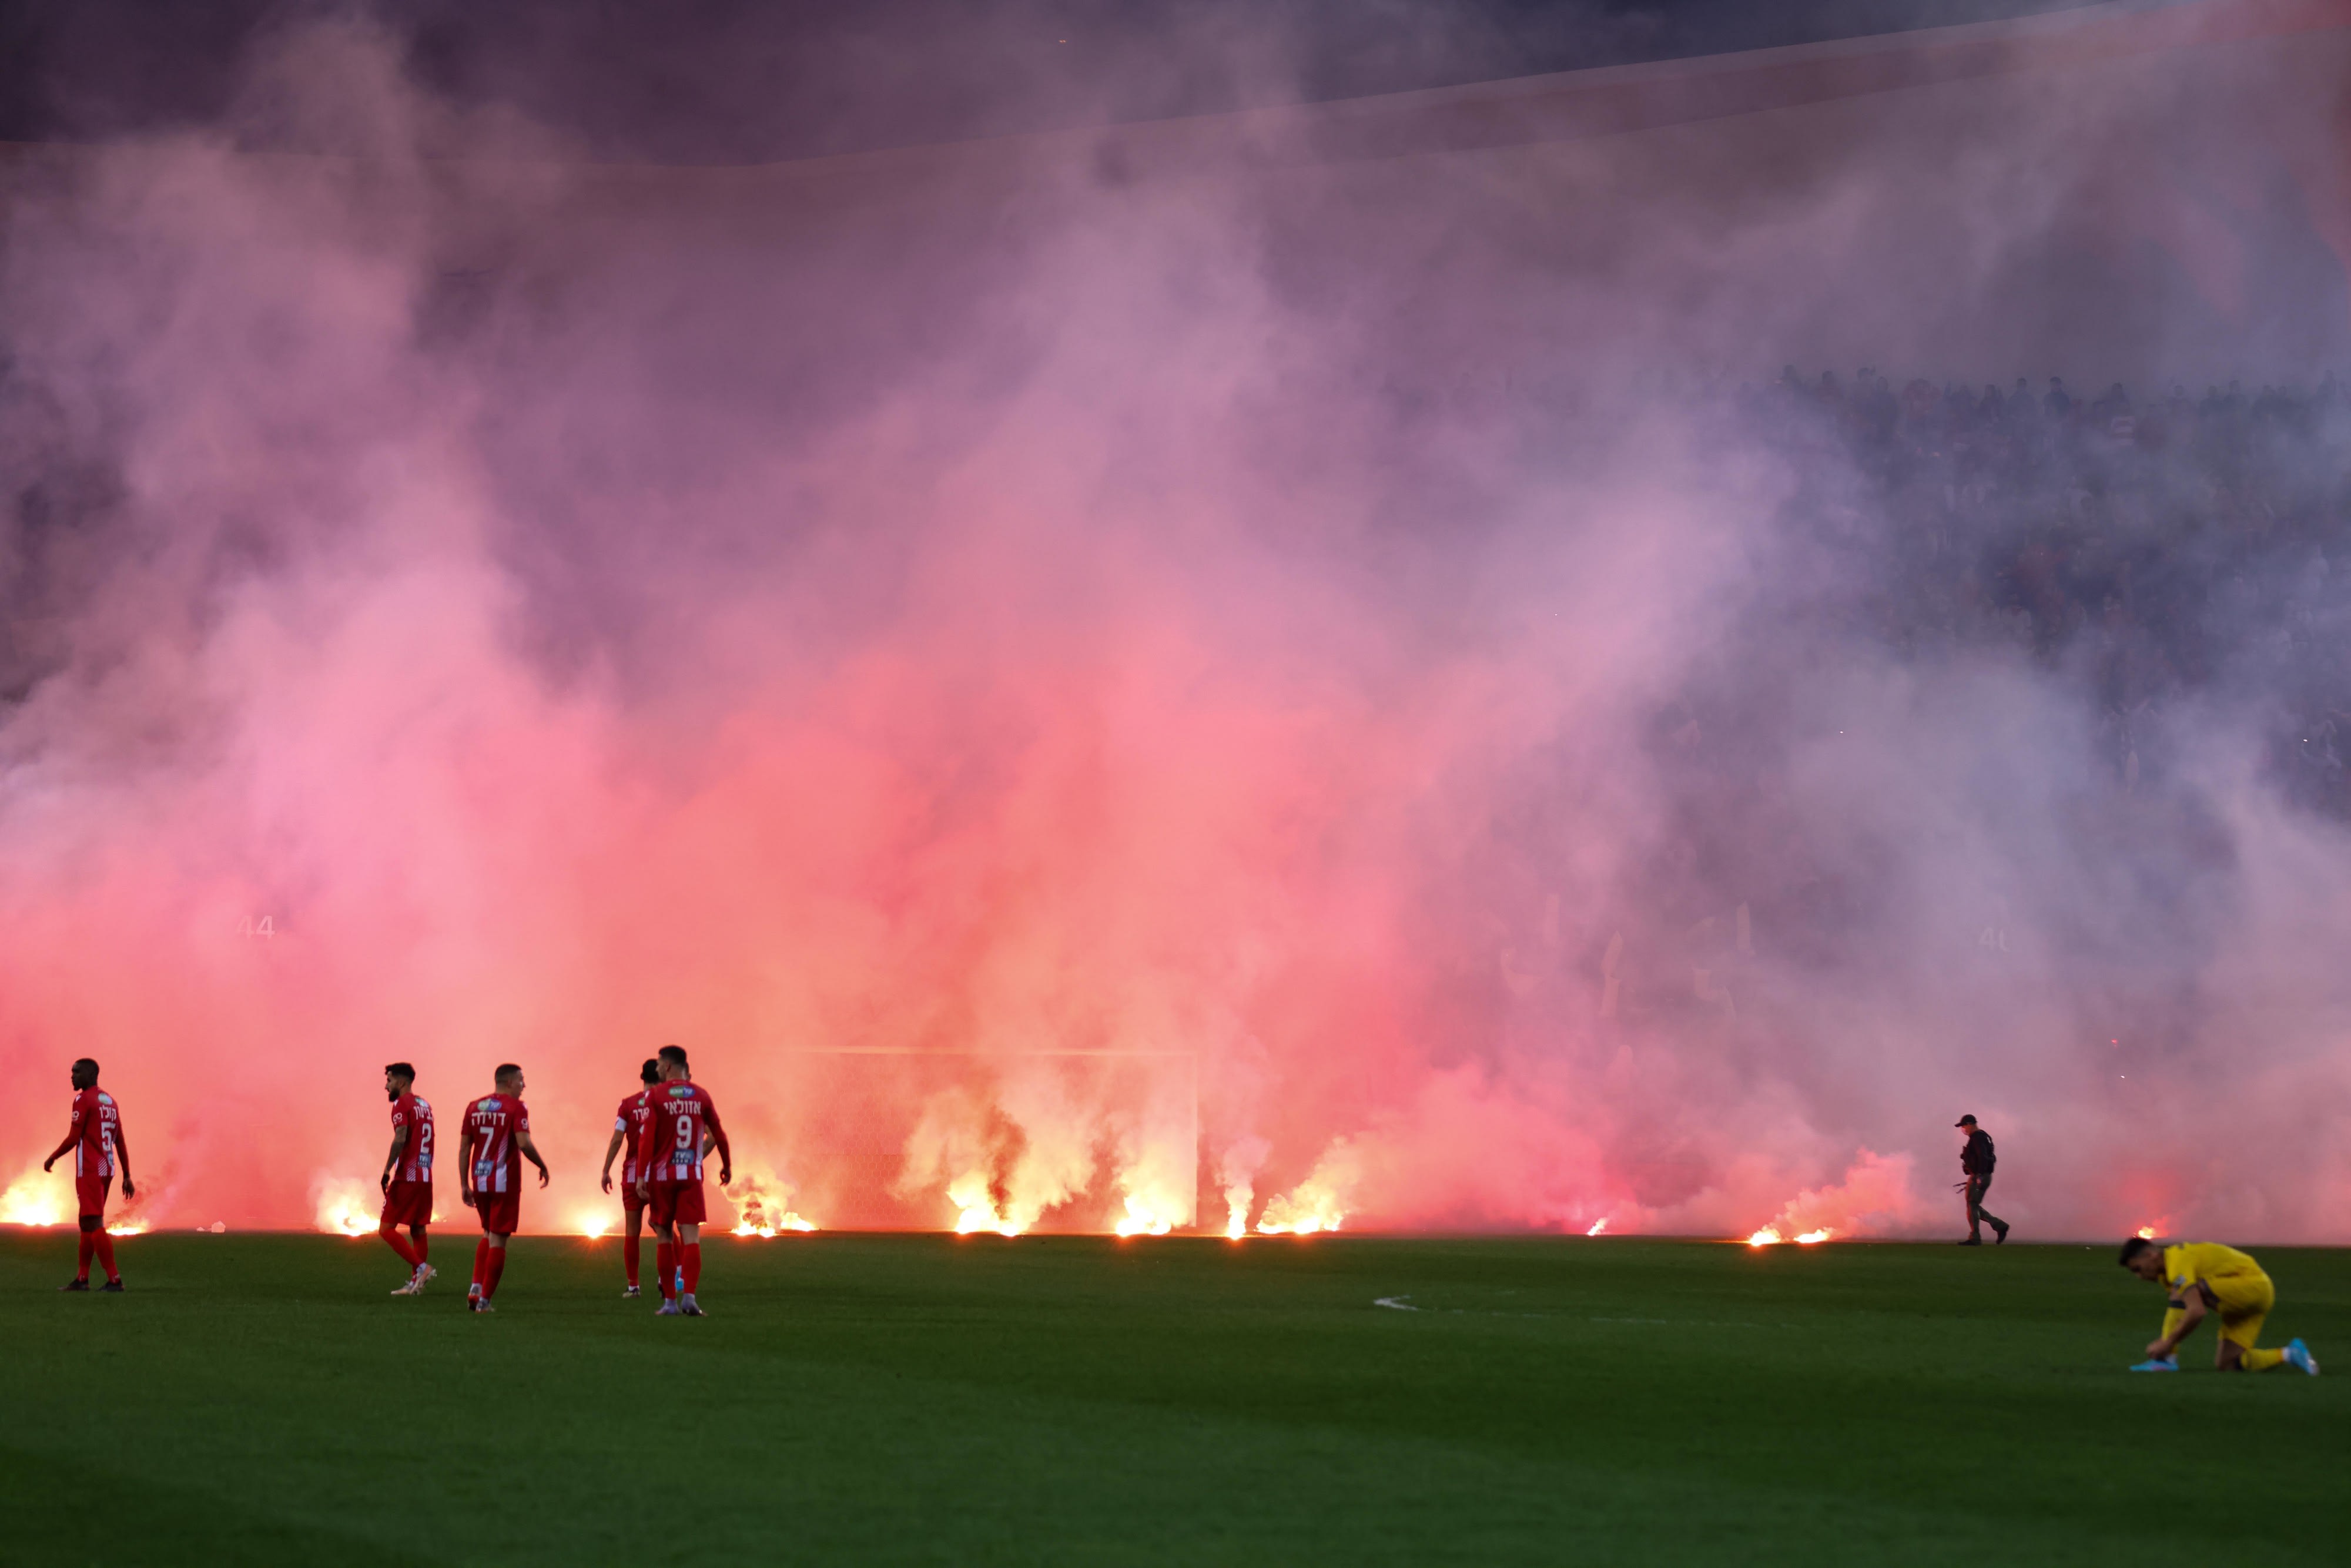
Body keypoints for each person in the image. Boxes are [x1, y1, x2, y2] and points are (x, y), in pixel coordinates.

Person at [2121, 1237, 2318, 1373]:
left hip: (2252, 1286)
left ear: (2151, 1255)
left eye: (2138, 1269)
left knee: (2185, 1292)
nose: (2139, 1277)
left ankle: (2165, 1361)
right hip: (2251, 1297)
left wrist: (2167, 1343)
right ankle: (2290, 1354)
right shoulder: (2168, 1274)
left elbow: (2196, 1311)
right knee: (2228, 1364)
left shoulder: (2177, 1263)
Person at [634, 1044, 731, 1318]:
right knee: (691, 1239)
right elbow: (719, 1135)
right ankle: (690, 1298)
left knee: (664, 1235)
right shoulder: (701, 1095)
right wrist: (727, 1165)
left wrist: (641, 1176)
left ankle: (669, 1304)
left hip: (662, 1177)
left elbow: (646, 1140)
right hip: (690, 1175)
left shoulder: (656, 1096)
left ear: (666, 1066)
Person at [458, 1064, 549, 1314]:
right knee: (498, 1239)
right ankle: (484, 1302)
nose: (524, 1086)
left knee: (487, 1233)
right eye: (521, 1080)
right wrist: (542, 1165)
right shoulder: (516, 1108)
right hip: (504, 1182)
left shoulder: (473, 1107)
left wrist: (464, 1183)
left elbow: (465, 1147)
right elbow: (524, 1142)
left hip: (480, 1180)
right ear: (509, 1082)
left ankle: (476, 1288)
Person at [43, 1057, 133, 1292]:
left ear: (90, 1075)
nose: (72, 1076)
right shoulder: (111, 1102)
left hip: (91, 1169)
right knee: (86, 1223)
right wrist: (127, 1174)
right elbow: (120, 1140)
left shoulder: (83, 1099)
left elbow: (74, 1139)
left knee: (94, 1223)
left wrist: (52, 1157)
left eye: (76, 1072)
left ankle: (115, 1280)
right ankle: (82, 1278)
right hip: (108, 1168)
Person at [600, 1057, 662, 1298]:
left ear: (642, 1078)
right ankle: (671, 1276)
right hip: (659, 1173)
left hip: (632, 1173)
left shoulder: (628, 1104)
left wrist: (606, 1169)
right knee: (663, 1227)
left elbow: (617, 1139)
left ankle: (633, 1286)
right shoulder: (666, 1103)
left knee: (631, 1232)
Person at [377, 1063, 437, 1295]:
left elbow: (401, 1137)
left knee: (386, 1229)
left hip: (408, 1176)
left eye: (390, 1081)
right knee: (418, 1229)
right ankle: (416, 1284)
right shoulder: (425, 1105)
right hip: (425, 1175)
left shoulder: (401, 1104)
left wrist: (387, 1170)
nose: (386, 1086)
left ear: (402, 1082)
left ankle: (422, 1269)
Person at [1954, 1114, 2008, 1244]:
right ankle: (1998, 1225)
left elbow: (1982, 1157)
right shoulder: (1983, 1137)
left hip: (1980, 1176)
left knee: (1972, 1205)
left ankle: (1975, 1237)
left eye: (1964, 1126)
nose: (1963, 1129)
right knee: (1973, 1205)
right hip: (1981, 1175)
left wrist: (1980, 1175)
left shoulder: (1977, 1138)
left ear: (1970, 1124)